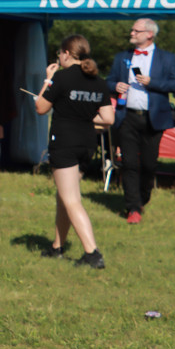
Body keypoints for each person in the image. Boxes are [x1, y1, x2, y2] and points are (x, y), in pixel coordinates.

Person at [34, 34, 115, 268]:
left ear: (67, 53)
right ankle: (57, 246)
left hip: (65, 143)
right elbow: (108, 118)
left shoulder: (61, 77)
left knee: (71, 199)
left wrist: (48, 80)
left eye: (59, 53)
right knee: (64, 196)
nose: (59, 57)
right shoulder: (98, 80)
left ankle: (92, 253)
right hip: (87, 144)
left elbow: (40, 107)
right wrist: (85, 118)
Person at [106, 18, 175, 224]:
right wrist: (116, 86)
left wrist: (153, 82)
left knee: (149, 165)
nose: (131, 33)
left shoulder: (167, 58)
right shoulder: (122, 57)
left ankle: (142, 199)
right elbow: (109, 80)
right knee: (129, 163)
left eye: (135, 31)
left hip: (153, 119)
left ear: (149, 34)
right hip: (127, 116)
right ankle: (132, 208)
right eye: (132, 30)